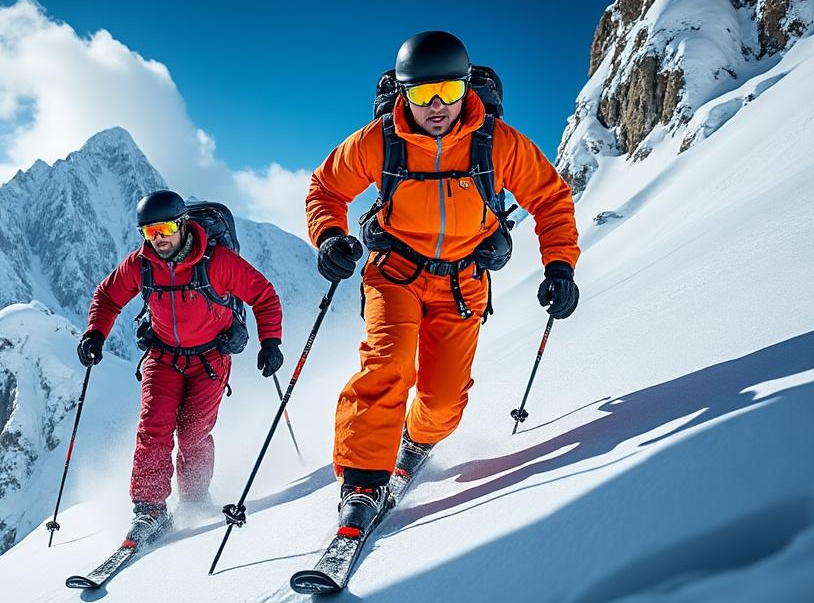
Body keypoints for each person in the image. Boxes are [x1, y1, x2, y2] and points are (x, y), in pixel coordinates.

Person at [305, 31, 582, 532]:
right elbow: (326, 187)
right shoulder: (379, 141)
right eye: (422, 93)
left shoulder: (496, 143)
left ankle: (416, 438)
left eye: (449, 92)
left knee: (444, 400)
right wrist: (328, 237)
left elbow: (551, 200)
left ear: (466, 89)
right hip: (394, 275)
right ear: (403, 93)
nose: (437, 106)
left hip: (462, 283)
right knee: (387, 366)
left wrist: (559, 266)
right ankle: (363, 483)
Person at [79, 190, 284, 543]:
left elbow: (263, 296)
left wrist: (271, 343)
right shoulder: (141, 265)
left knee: (193, 433)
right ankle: (150, 510)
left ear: (183, 225)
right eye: (149, 231)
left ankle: (193, 500)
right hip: (163, 358)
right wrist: (95, 333)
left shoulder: (217, 261)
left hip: (210, 360)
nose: (157, 238)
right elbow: (108, 296)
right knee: (153, 427)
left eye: (165, 228)